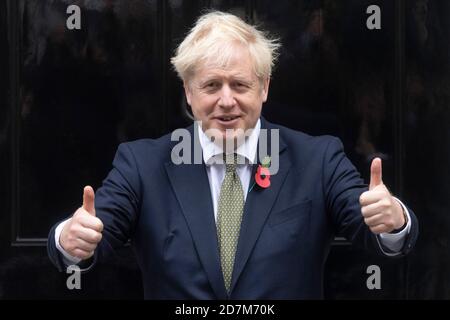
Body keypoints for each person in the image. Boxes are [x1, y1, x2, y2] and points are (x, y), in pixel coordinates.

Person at [47, 11, 418, 299]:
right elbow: (94, 232)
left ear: (264, 88)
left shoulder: (317, 159)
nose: (226, 101)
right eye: (211, 85)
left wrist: (393, 221)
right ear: (189, 92)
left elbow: (372, 228)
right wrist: (70, 239)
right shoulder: (142, 165)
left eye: (240, 84)